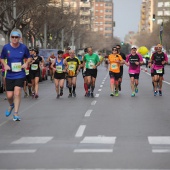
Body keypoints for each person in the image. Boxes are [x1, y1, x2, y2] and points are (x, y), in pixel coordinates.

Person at [0, 31, 31, 121]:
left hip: (20, 73)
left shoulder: (23, 47)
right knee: (9, 96)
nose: (14, 39)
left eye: (16, 37)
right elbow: (1, 58)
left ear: (19, 38)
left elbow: (29, 57)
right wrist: (5, 65)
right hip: (9, 74)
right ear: (10, 38)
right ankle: (11, 105)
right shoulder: (6, 47)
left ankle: (16, 113)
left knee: (17, 93)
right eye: (13, 37)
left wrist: (26, 63)